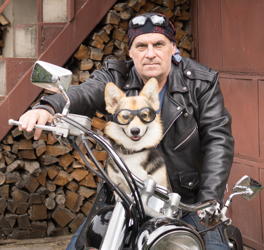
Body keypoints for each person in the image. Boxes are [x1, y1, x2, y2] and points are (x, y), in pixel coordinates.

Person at [19, 13, 234, 249]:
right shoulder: (116, 76)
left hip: (184, 199)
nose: (150, 53)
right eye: (141, 46)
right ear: (131, 52)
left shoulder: (200, 83)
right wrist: (49, 106)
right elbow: (87, 91)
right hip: (125, 196)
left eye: (159, 44)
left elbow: (218, 139)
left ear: (173, 48)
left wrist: (207, 201)